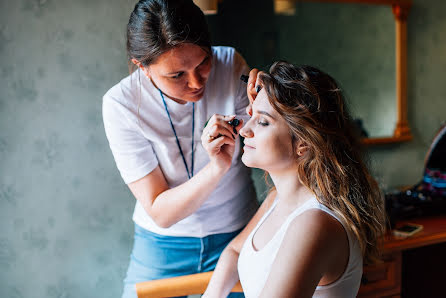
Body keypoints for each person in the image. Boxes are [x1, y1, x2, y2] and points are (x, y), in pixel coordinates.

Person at [102, 0, 259, 297]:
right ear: (143, 67)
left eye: (203, 63)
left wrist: (267, 109)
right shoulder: (120, 104)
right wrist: (216, 168)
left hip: (238, 230)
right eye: (177, 75)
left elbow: (267, 149)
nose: (196, 82)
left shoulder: (230, 64)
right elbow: (160, 211)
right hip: (163, 243)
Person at [203, 62, 386, 298]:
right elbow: (235, 251)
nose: (245, 130)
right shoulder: (276, 199)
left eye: (263, 121)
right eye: (251, 115)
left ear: (303, 143)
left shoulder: (315, 223)